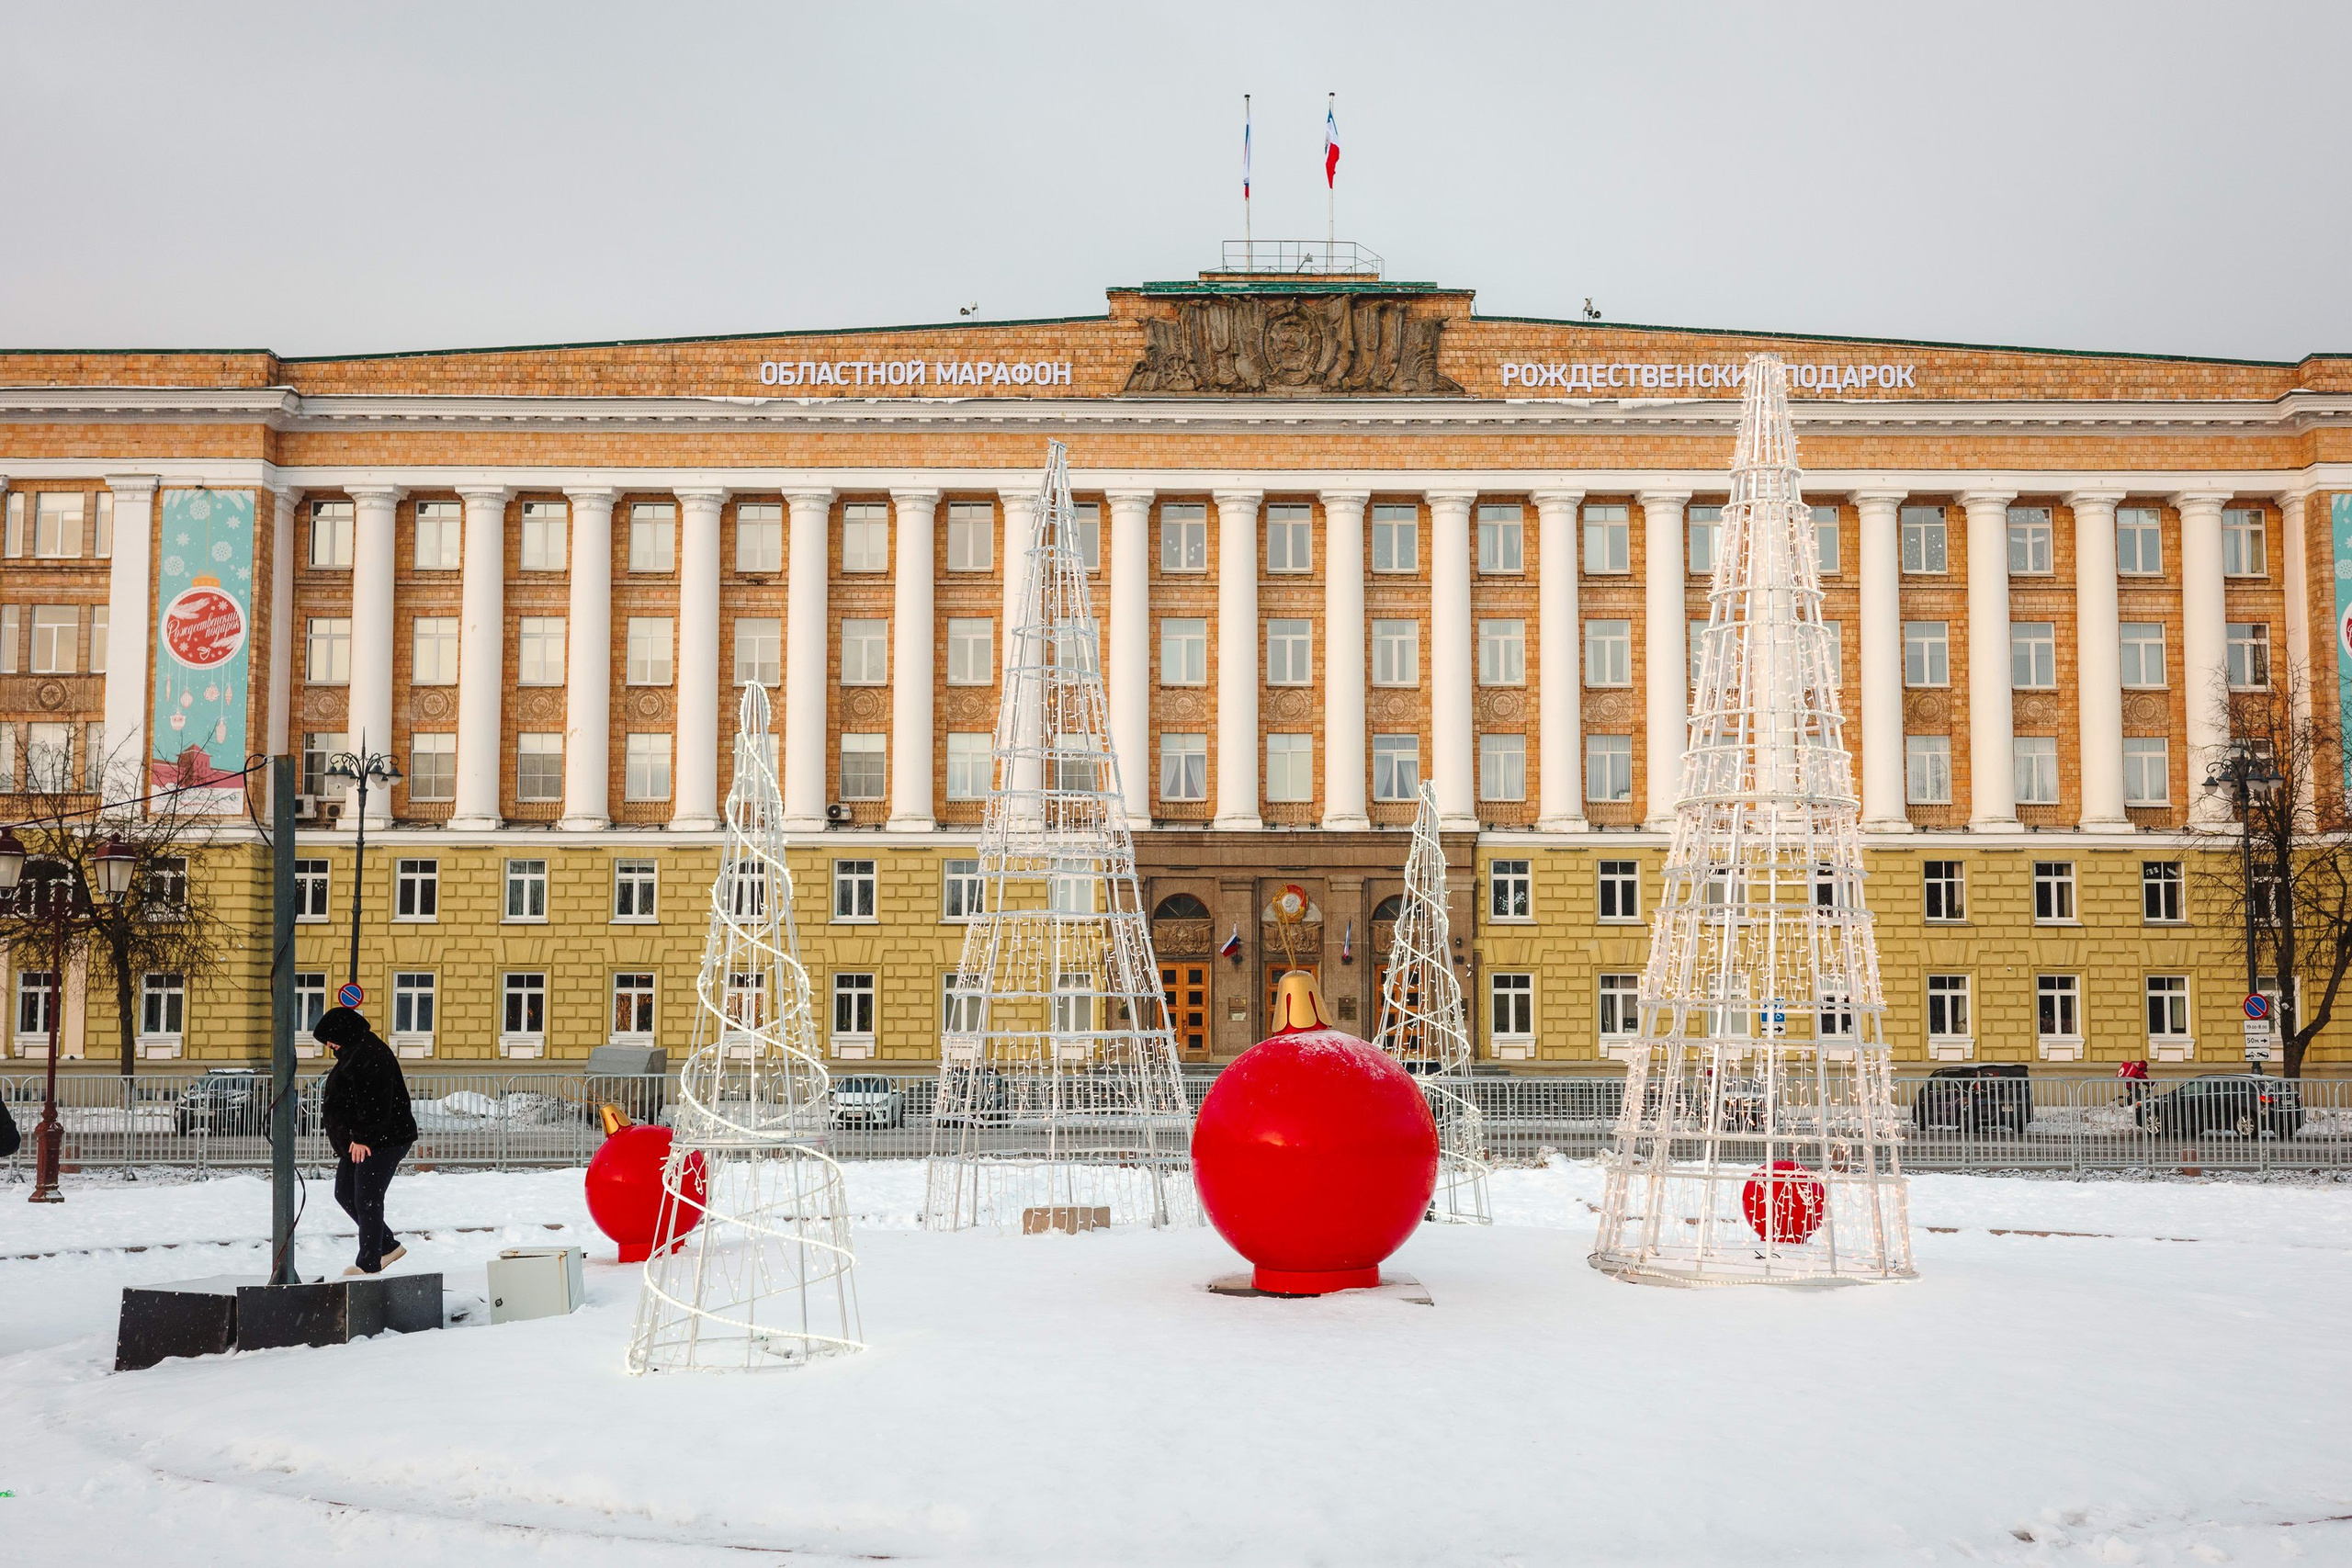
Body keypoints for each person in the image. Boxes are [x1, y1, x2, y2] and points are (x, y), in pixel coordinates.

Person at [314, 1005, 419, 1276]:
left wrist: (362, 1137)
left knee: (367, 1198)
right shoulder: (353, 1052)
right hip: (360, 1141)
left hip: (382, 1140)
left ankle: (369, 1265)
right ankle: (386, 1244)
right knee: (345, 1193)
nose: (328, 1044)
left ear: (343, 1031)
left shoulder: (370, 1054)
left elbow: (375, 1102)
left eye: (329, 1037)